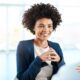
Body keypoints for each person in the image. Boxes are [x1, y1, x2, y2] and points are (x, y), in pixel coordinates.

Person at [16, 3, 65, 80]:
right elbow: (23, 78)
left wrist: (59, 60)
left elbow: (63, 73)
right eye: (41, 26)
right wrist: (39, 60)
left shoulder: (56, 46)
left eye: (49, 26)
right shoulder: (23, 46)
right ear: (33, 27)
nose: (46, 30)